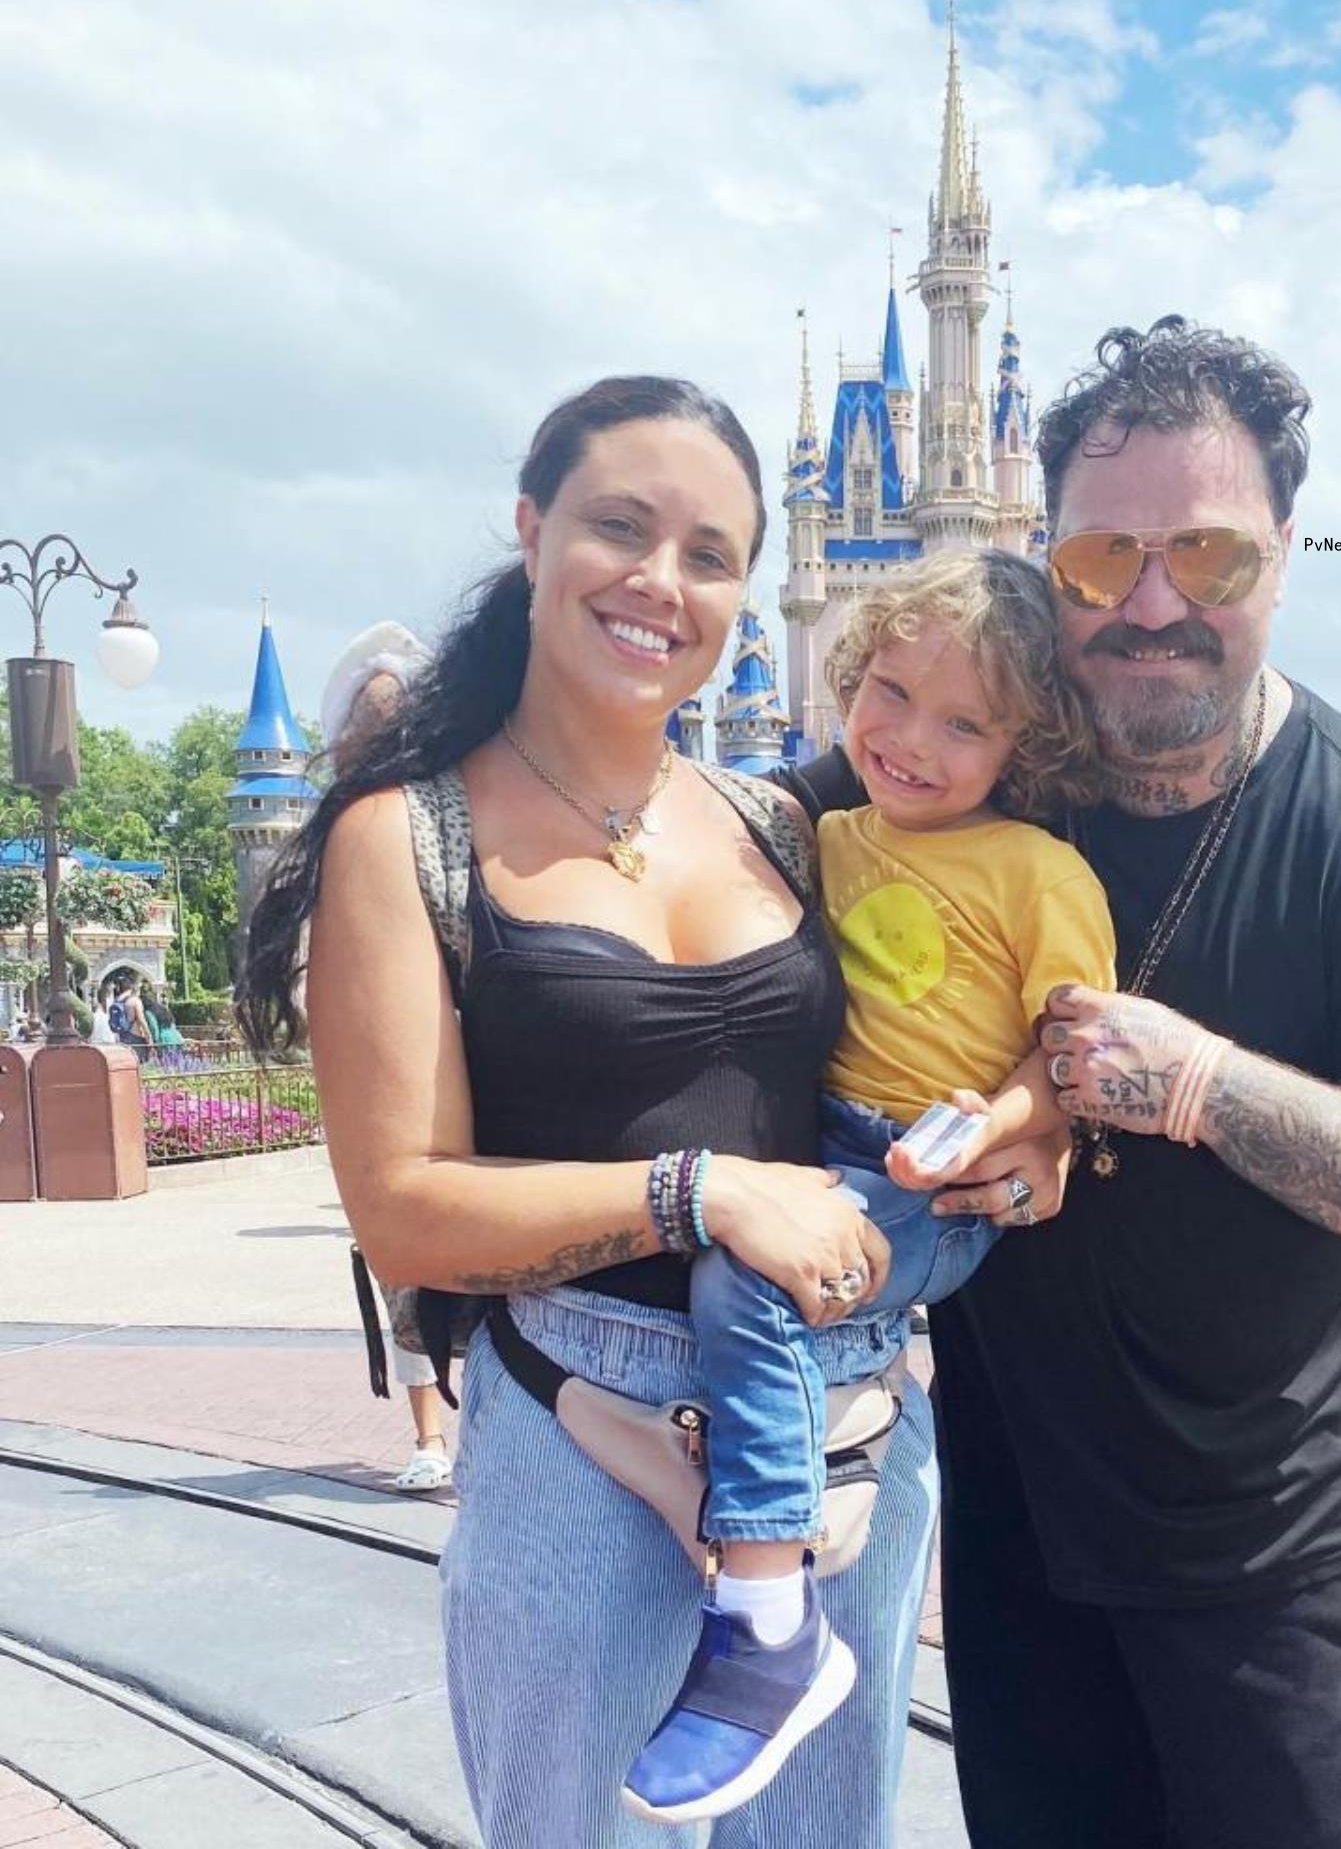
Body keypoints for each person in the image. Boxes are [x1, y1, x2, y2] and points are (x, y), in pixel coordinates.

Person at [788, 318, 1341, 1849]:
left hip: (1258, 1561)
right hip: (1017, 1533)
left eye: (1210, 556)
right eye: (1104, 558)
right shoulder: (970, 762)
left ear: (1283, 554)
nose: (1153, 604)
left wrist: (1203, 1087)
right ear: (1042, 554)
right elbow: (682, 826)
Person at [240, 376, 938, 1848]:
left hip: (836, 1421)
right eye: (620, 528)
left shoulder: (782, 824)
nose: (660, 583)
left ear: (755, 586)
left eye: (709, 554)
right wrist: (699, 1195)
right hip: (581, 1424)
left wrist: (1029, 1130)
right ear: (531, 528)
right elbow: (402, 1207)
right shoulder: (410, 833)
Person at [625, 549, 1114, 1823]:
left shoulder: (1039, 874)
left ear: (1025, 744)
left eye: (965, 724)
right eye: (888, 693)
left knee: (755, 1277)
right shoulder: (822, 836)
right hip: (829, 1142)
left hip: (932, 1172)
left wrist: (1001, 1120)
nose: (909, 740)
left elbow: (1073, 1050)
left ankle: (768, 1620)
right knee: (743, 1267)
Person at [321, 621, 454, 1495]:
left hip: (465, 1074)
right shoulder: (349, 843)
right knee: (403, 1260)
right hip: (392, 1095)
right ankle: (430, 1433)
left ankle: (471, 1422)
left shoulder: (458, 815)